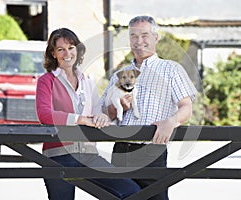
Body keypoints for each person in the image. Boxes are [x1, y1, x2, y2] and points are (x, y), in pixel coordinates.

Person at [35, 28, 140, 200]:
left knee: (130, 191)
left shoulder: (87, 81)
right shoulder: (46, 81)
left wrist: (103, 116)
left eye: (71, 47)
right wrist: (80, 119)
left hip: (89, 155)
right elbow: (44, 114)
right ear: (53, 54)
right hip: (59, 156)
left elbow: (98, 113)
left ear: (77, 50)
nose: (67, 53)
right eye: (60, 49)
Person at [101, 16, 198, 200]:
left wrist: (171, 121)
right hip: (121, 151)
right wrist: (118, 107)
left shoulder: (171, 69)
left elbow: (186, 107)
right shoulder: (119, 74)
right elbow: (105, 114)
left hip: (153, 151)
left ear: (156, 38)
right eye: (133, 36)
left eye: (144, 35)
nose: (139, 41)